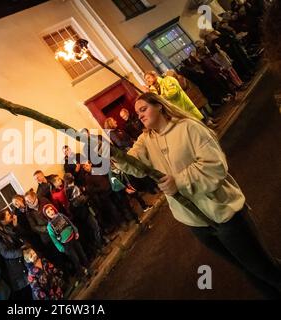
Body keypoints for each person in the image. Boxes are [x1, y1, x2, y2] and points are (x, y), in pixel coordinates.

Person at [115, 92, 281, 292]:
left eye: (144, 109)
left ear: (159, 106)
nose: (140, 115)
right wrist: (109, 153)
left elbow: (215, 166)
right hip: (196, 222)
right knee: (247, 270)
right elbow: (133, 165)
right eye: (138, 113)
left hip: (224, 213)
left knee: (263, 268)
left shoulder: (188, 127)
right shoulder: (145, 140)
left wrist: (179, 182)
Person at [0, 208, 33, 300]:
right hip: (17, 265)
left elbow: (22, 236)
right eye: (7, 215)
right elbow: (5, 253)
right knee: (27, 290)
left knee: (33, 284)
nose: (10, 215)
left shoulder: (10, 227)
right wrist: (20, 251)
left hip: (26, 259)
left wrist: (16, 225)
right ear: (2, 220)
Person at [42, 203, 89, 277]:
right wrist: (61, 248)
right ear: (46, 215)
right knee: (76, 260)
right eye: (48, 212)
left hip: (73, 237)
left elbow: (70, 223)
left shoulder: (60, 215)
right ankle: (82, 274)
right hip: (66, 244)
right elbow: (54, 239)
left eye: (51, 209)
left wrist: (75, 231)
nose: (51, 212)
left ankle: (89, 268)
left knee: (81, 253)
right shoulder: (50, 226)